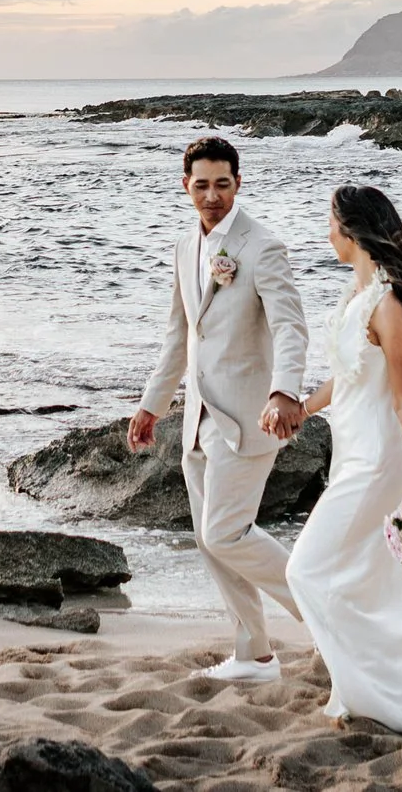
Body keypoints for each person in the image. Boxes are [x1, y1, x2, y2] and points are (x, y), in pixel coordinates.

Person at [284, 184, 402, 733]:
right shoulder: (355, 296)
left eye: (331, 223)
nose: (326, 234)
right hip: (350, 452)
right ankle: (371, 688)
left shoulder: (390, 306)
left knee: (305, 569)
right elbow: (345, 380)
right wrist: (300, 410)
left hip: (376, 460)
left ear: (352, 231)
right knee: (366, 576)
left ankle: (378, 690)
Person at [128, 136, 312, 683]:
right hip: (197, 422)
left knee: (226, 533)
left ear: (238, 183)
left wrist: (285, 392)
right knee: (213, 543)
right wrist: (150, 406)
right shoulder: (186, 247)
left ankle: (330, 612)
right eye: (202, 184)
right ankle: (254, 652)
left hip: (251, 417)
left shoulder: (262, 246)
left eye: (223, 184)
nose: (212, 196)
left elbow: (290, 326)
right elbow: (179, 334)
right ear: (185, 186)